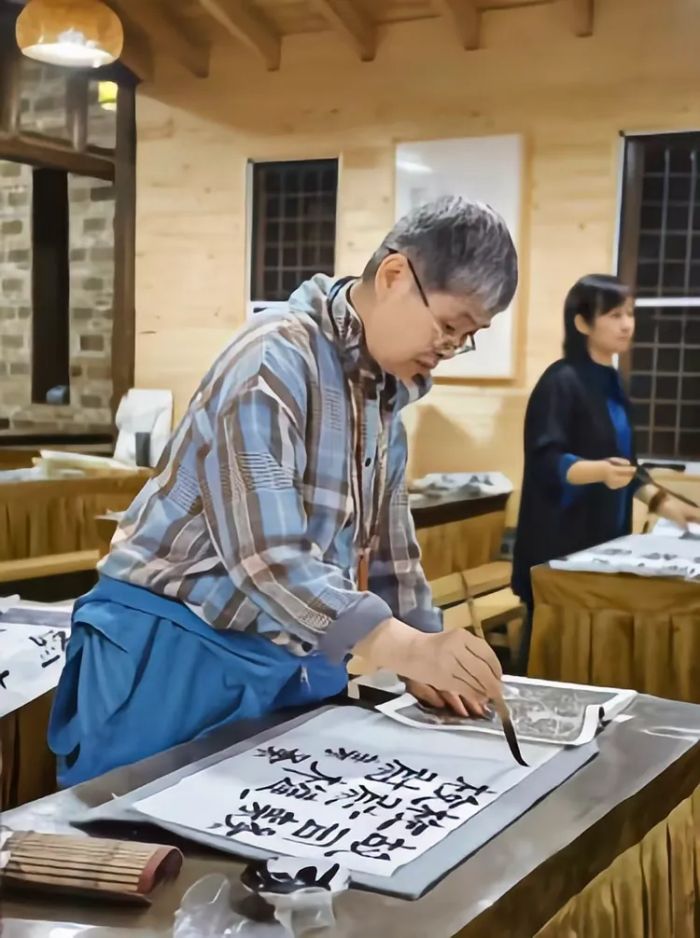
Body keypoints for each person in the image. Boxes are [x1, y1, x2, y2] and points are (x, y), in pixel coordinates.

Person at [49, 196, 519, 785]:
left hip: (281, 656)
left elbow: (392, 556)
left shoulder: (382, 399)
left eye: (467, 337)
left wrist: (428, 647)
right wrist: (403, 647)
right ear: (395, 275)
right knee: (141, 831)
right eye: (449, 327)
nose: (448, 350)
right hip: (173, 654)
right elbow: (266, 556)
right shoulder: (272, 359)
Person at [512, 274, 700, 670]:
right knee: (554, 658)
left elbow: (626, 466)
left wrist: (669, 506)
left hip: (604, 542)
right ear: (583, 323)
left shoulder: (613, 382)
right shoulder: (559, 381)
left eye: (630, 313)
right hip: (559, 545)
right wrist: (596, 471)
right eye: (615, 315)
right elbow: (546, 461)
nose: (627, 324)